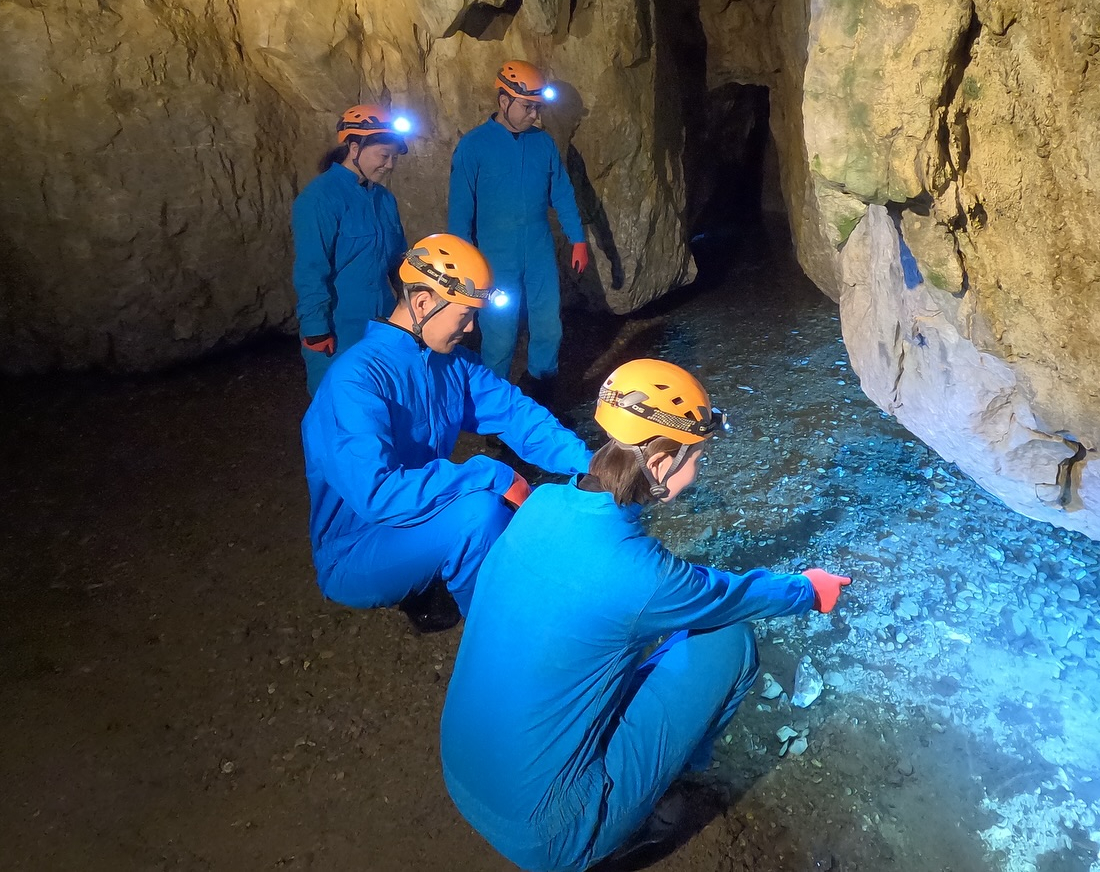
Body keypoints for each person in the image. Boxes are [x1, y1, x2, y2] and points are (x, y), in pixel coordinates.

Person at [439, 358, 851, 872]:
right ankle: (648, 797)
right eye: (696, 457)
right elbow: (731, 596)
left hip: (462, 771)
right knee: (729, 641)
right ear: (660, 463)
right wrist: (808, 590)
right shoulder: (640, 575)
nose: (699, 471)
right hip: (546, 832)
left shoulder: (543, 502)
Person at [301, 233, 592, 633]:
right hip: (356, 548)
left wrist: (593, 465)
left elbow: (517, 414)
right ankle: (501, 643)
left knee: (506, 511)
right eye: (464, 315)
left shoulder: (450, 364)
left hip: (419, 519)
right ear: (423, 303)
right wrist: (491, 473)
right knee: (481, 512)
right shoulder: (355, 381)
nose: (472, 328)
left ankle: (490, 601)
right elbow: (377, 493)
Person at [447, 60, 590, 395]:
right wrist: (460, 264)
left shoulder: (542, 143)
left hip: (538, 251)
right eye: (528, 107)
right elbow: (460, 210)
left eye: (537, 108)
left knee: (548, 325)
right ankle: (491, 408)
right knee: (499, 332)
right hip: (495, 257)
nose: (534, 116)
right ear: (504, 101)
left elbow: (563, 192)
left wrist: (578, 239)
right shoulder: (474, 146)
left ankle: (541, 389)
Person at [291, 104, 411, 396]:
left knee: (382, 405)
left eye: (394, 157)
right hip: (339, 327)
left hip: (380, 324)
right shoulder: (319, 199)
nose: (390, 165)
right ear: (354, 147)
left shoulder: (384, 199)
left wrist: (411, 306)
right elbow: (310, 269)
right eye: (384, 156)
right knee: (336, 409)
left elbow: (399, 260)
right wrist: (316, 328)